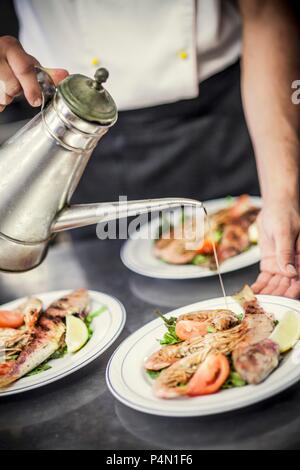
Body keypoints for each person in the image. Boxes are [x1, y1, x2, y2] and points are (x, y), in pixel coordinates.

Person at [0, 0, 299, 298]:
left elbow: (265, 9)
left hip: (225, 118)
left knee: (267, 279)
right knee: (116, 297)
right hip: (77, 142)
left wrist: (282, 194)